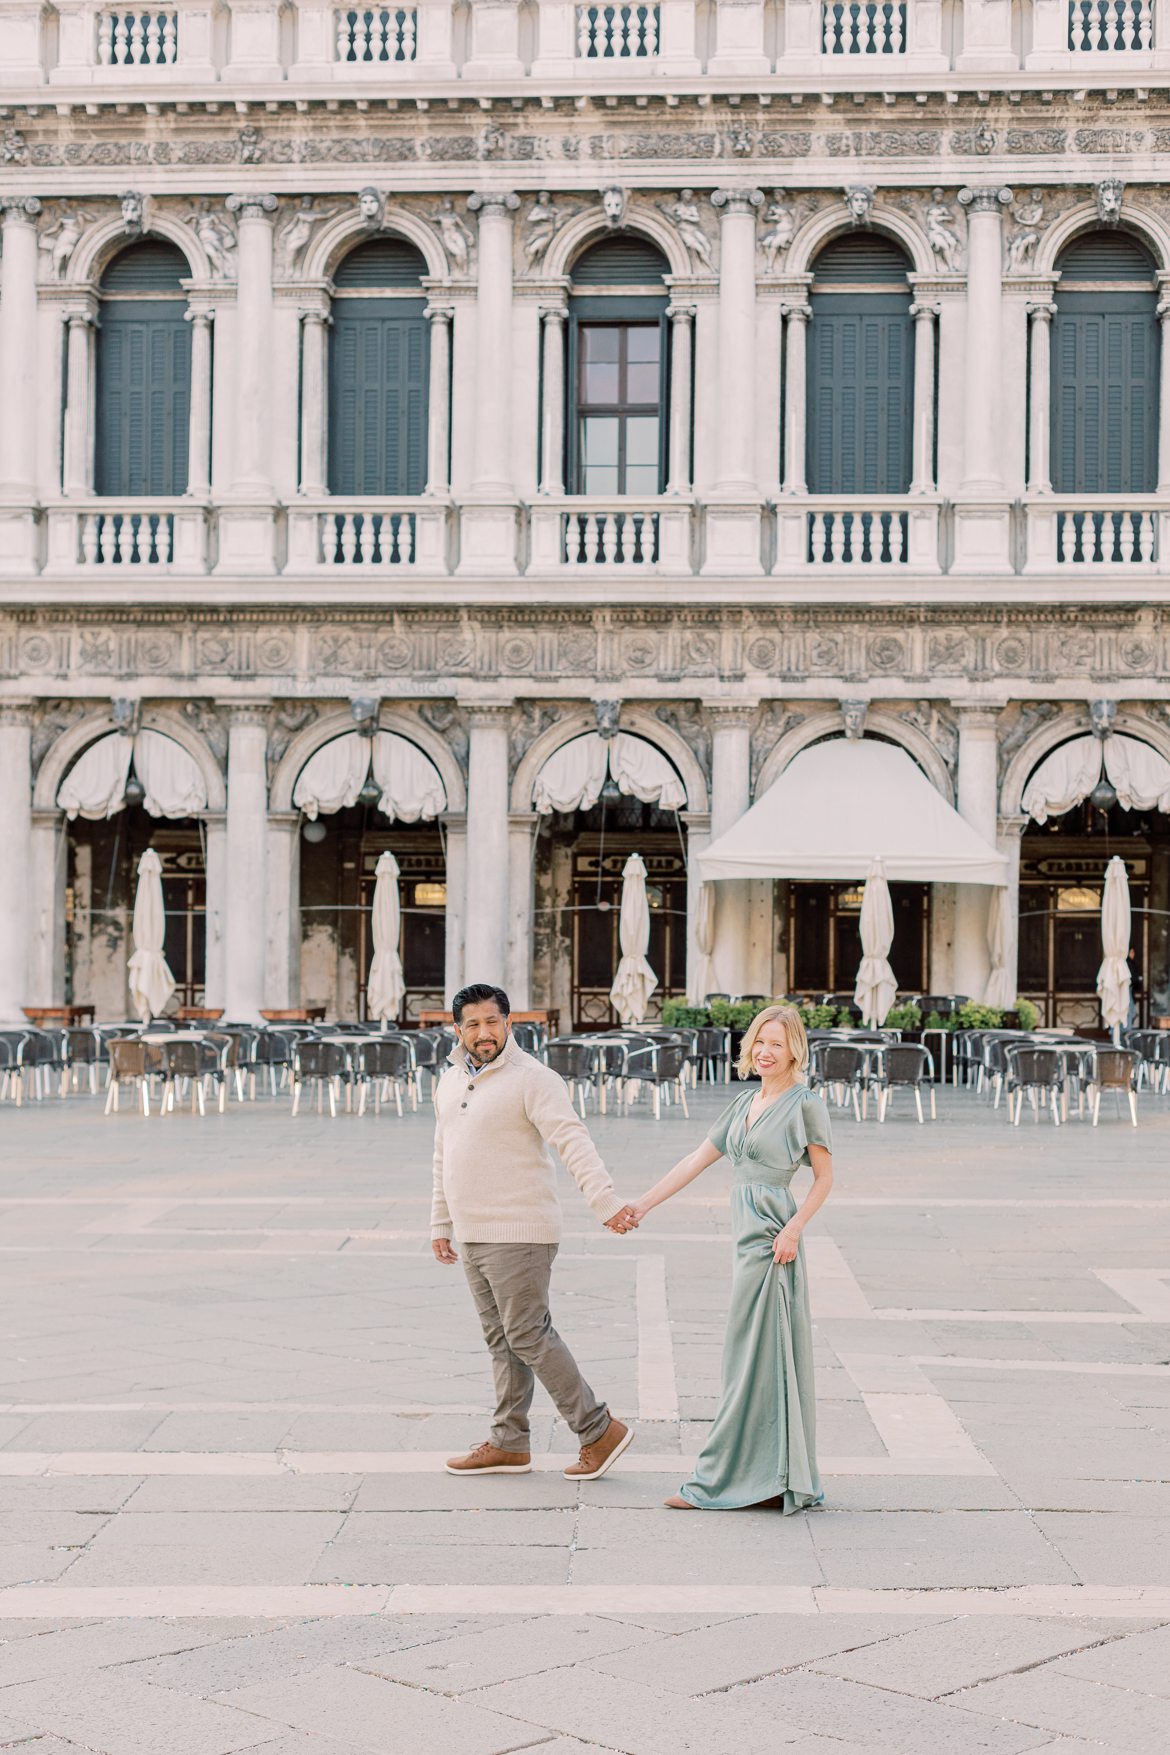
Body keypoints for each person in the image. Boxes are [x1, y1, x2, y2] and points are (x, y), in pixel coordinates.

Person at [629, 1004, 833, 1513]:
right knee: (748, 1354)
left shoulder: (805, 1103)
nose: (766, 1051)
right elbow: (695, 1160)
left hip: (772, 1238)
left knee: (758, 1355)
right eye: (760, 1041)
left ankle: (728, 1477)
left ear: (794, 1051)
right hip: (745, 1238)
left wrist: (793, 1228)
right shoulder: (745, 1101)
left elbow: (825, 1177)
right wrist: (641, 1205)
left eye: (778, 1044)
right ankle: (757, 1473)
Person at [433, 983, 640, 1481]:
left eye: (493, 1022)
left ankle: (598, 1429)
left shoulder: (534, 1078)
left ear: (510, 1024)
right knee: (500, 1339)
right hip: (473, 1230)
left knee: (527, 1333)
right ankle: (509, 1442)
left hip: (520, 1228)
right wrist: (441, 1222)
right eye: (473, 1024)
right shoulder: (449, 1080)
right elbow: (444, 1154)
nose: (484, 1033)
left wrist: (604, 1201)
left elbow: (572, 1140)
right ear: (457, 1029)